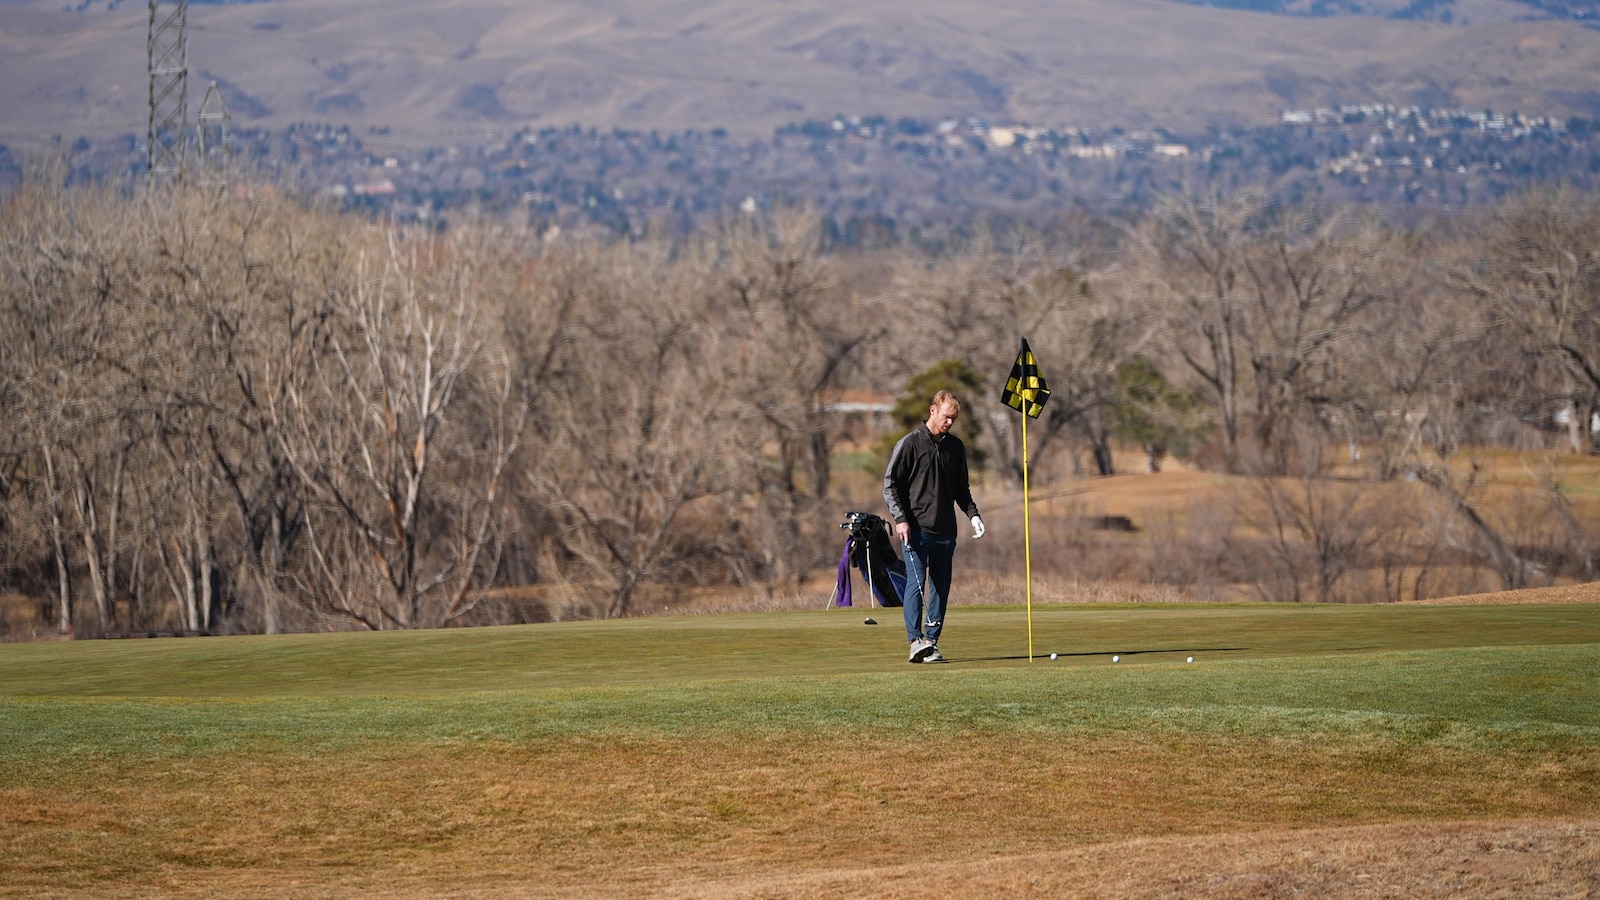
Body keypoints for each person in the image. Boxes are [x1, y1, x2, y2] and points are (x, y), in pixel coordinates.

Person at [883, 390, 985, 663]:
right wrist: (900, 519)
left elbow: (961, 490)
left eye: (954, 418)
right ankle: (915, 640)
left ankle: (931, 641)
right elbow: (890, 485)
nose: (950, 422)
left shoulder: (955, 448)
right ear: (932, 410)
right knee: (916, 585)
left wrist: (973, 514)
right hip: (915, 529)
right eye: (946, 416)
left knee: (941, 586)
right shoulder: (910, 444)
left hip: (945, 532)